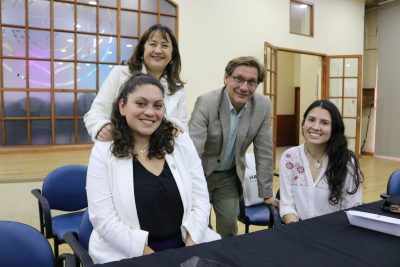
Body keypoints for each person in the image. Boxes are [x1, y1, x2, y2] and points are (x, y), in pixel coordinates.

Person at [86, 74, 220, 264]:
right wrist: (157, 259)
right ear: (122, 106)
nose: (150, 112)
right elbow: (104, 219)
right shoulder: (103, 152)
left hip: (187, 245)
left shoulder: (180, 142)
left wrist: (190, 248)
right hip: (130, 253)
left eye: (157, 106)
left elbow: (201, 201)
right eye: (140, 104)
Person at [189, 56, 279, 237]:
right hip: (200, 175)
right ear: (226, 78)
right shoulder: (206, 102)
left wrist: (266, 192)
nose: (244, 87)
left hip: (229, 176)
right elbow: (193, 150)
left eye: (251, 82)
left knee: (229, 229)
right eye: (238, 78)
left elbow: (264, 150)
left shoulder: (262, 105)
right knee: (200, 229)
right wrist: (188, 186)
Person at [84, 24, 187, 141]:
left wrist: (175, 128)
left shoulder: (177, 87)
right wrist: (102, 127)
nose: (158, 50)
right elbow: (95, 113)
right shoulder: (120, 74)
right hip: (121, 149)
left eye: (165, 46)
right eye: (152, 44)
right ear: (142, 50)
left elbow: (183, 127)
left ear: (173, 54)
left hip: (162, 153)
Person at [279, 100, 363, 224]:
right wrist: (295, 228)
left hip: (335, 232)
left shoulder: (347, 162)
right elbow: (287, 204)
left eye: (324, 123)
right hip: (299, 230)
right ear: (303, 123)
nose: (315, 127)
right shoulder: (289, 157)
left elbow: (352, 206)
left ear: (334, 128)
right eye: (311, 120)